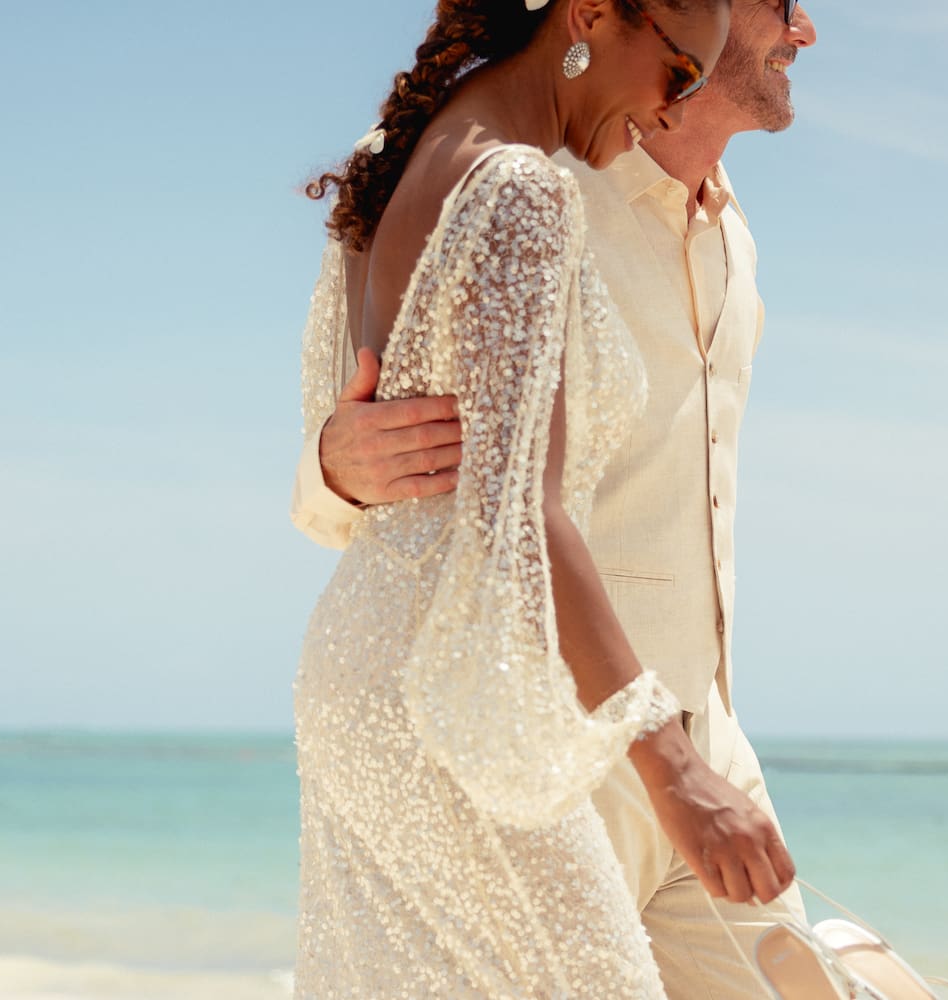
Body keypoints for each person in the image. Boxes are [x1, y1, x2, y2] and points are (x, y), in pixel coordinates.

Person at [293, 0, 820, 993]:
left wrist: (695, 752)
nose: (808, 32)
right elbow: (452, 485)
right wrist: (333, 462)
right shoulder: (533, 178)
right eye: (677, 70)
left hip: (684, 728)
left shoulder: (731, 241)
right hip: (535, 719)